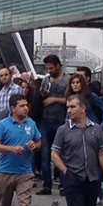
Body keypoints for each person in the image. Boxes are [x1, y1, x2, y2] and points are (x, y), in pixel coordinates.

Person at [36, 54, 68, 196]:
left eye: (51, 68)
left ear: (58, 66)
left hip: (61, 121)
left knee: (62, 154)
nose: (49, 71)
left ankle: (63, 184)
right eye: (47, 68)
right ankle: (46, 184)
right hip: (45, 120)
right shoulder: (45, 80)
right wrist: (42, 95)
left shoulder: (67, 80)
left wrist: (54, 99)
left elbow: (70, 99)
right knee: (45, 154)